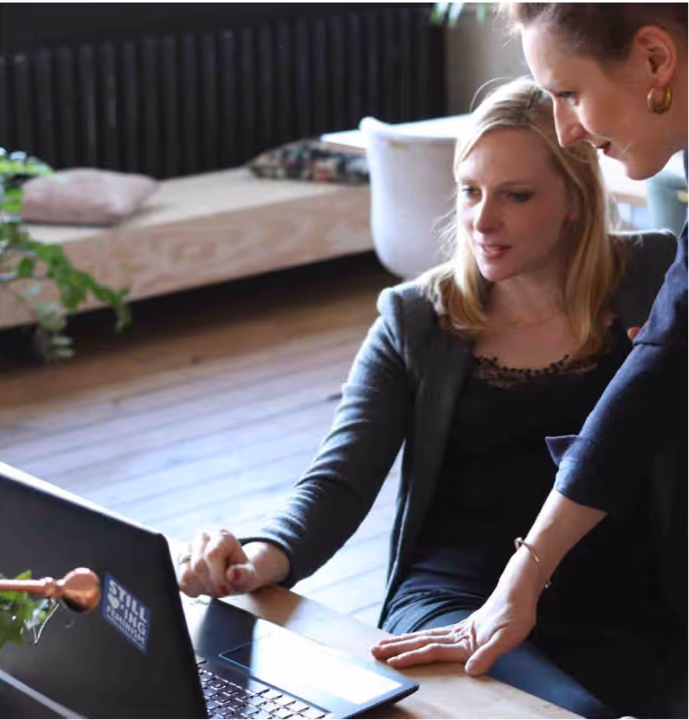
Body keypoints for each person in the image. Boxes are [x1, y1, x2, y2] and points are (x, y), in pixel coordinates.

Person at [177, 78, 676, 718]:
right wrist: (256, 558)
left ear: (575, 200)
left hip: (621, 592)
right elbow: (339, 479)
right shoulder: (416, 317)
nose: (481, 220)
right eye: (470, 191)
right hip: (453, 595)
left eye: (515, 196)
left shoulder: (656, 278)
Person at [371, 3, 688, 716]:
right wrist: (526, 576)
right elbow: (655, 377)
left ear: (655, 60)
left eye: (570, 93)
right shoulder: (415, 315)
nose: (568, 126)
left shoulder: (645, 263)